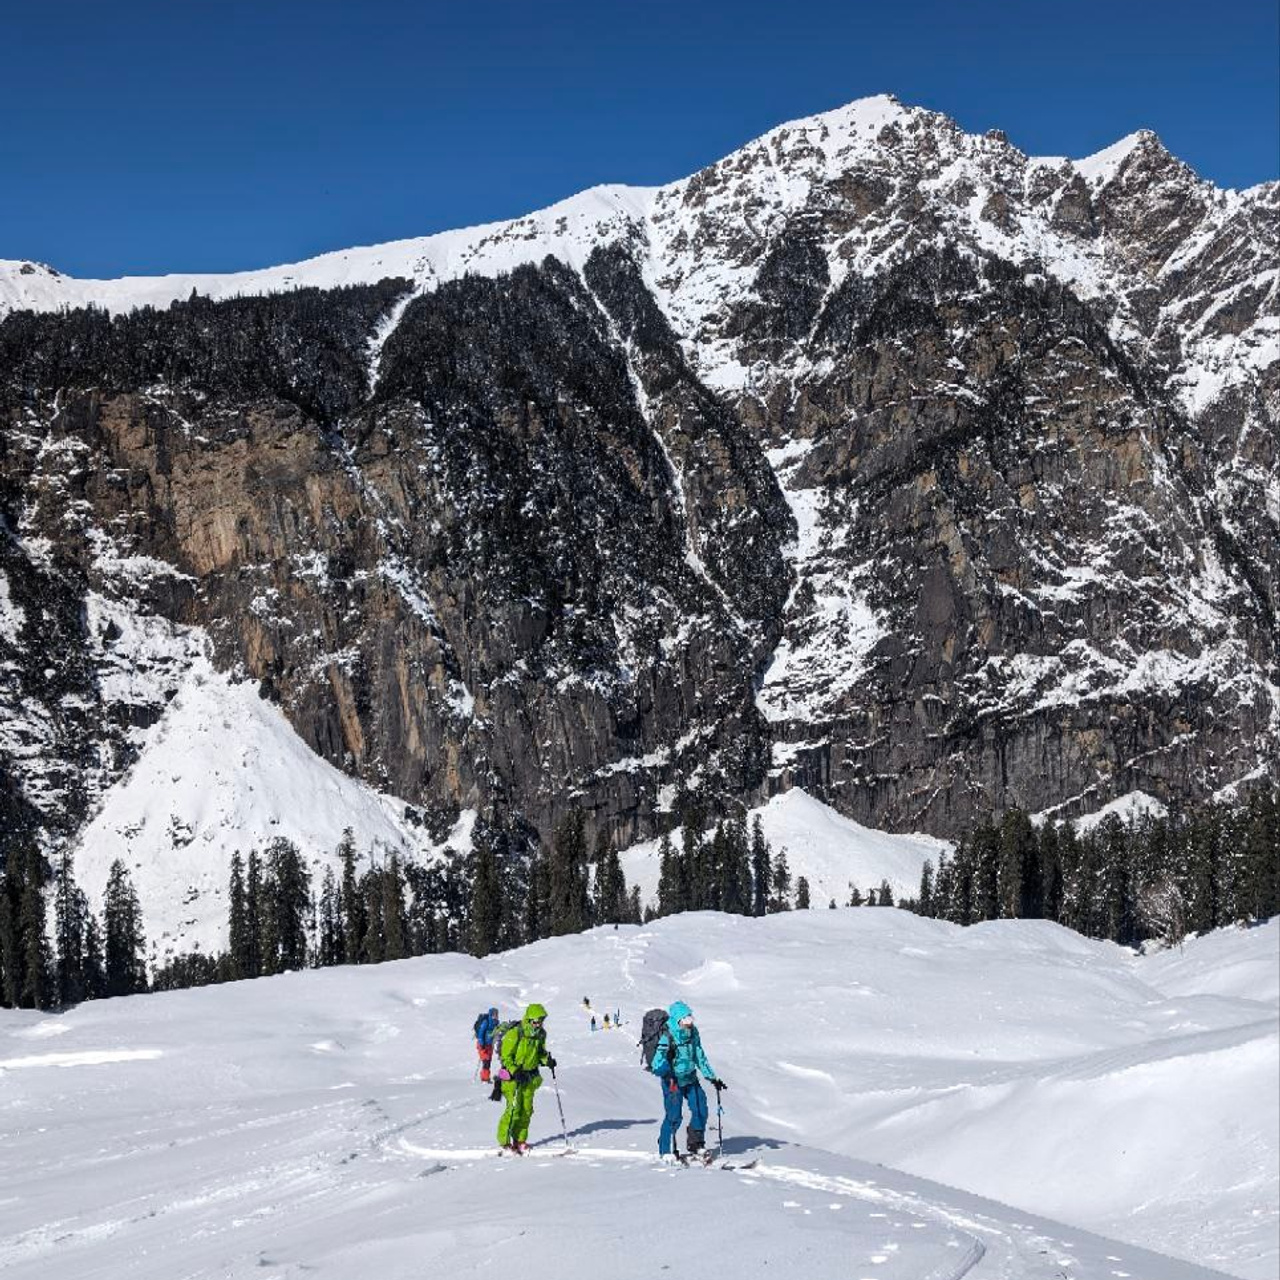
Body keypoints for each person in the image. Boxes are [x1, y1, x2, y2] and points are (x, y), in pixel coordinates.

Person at [652, 1000, 725, 1161]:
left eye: (690, 1018)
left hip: (690, 1078)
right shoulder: (667, 1037)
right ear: (678, 1020)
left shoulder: (693, 1033)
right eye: (686, 1019)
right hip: (673, 1082)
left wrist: (712, 1077)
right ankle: (666, 1148)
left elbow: (699, 1056)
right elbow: (656, 1063)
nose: (689, 1022)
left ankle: (696, 1144)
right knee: (674, 1116)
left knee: (700, 1109)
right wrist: (667, 1071)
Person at [496, 1002, 556, 1153]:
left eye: (541, 1021)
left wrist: (546, 1061)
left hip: (529, 1078)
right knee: (514, 1109)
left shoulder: (541, 1034)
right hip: (513, 1079)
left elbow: (540, 1053)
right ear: (529, 1019)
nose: (539, 1024)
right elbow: (506, 1057)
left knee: (526, 1110)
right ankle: (504, 1142)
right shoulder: (516, 1033)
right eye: (536, 1021)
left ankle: (520, 1140)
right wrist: (515, 1071)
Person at [473, 1006, 499, 1083]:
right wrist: (482, 1044)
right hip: (483, 1045)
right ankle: (485, 1078)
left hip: (489, 1045)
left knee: (488, 1062)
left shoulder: (496, 1023)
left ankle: (485, 1077)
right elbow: (481, 1034)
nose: (495, 1016)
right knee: (486, 1061)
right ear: (490, 1014)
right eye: (493, 1014)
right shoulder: (486, 1022)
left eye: (496, 1014)